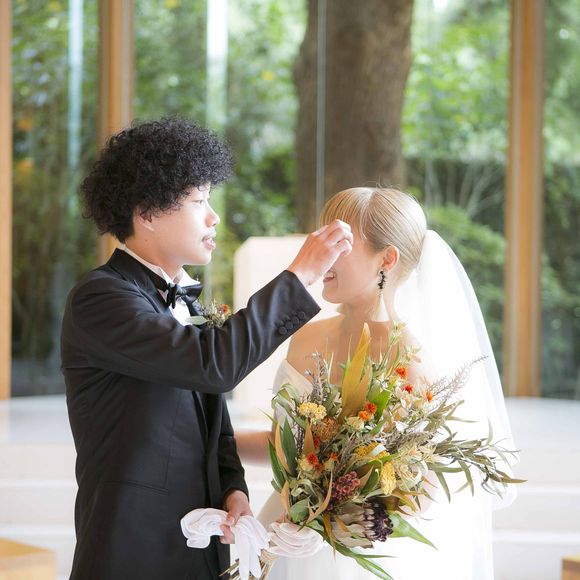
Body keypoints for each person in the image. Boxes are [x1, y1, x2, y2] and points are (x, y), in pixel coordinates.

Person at [60, 117, 353, 580]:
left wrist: (231, 489)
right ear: (148, 213)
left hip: (200, 544)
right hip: (131, 548)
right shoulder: (101, 298)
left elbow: (212, 423)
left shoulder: (186, 303)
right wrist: (300, 276)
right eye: (199, 201)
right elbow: (213, 365)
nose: (213, 216)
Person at [235, 186, 517, 579]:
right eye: (323, 235)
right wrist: (209, 440)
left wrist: (329, 529)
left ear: (386, 259)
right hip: (282, 535)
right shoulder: (306, 337)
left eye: (341, 241)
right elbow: (286, 447)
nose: (323, 252)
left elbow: (422, 493)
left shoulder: (409, 362)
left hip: (351, 558)